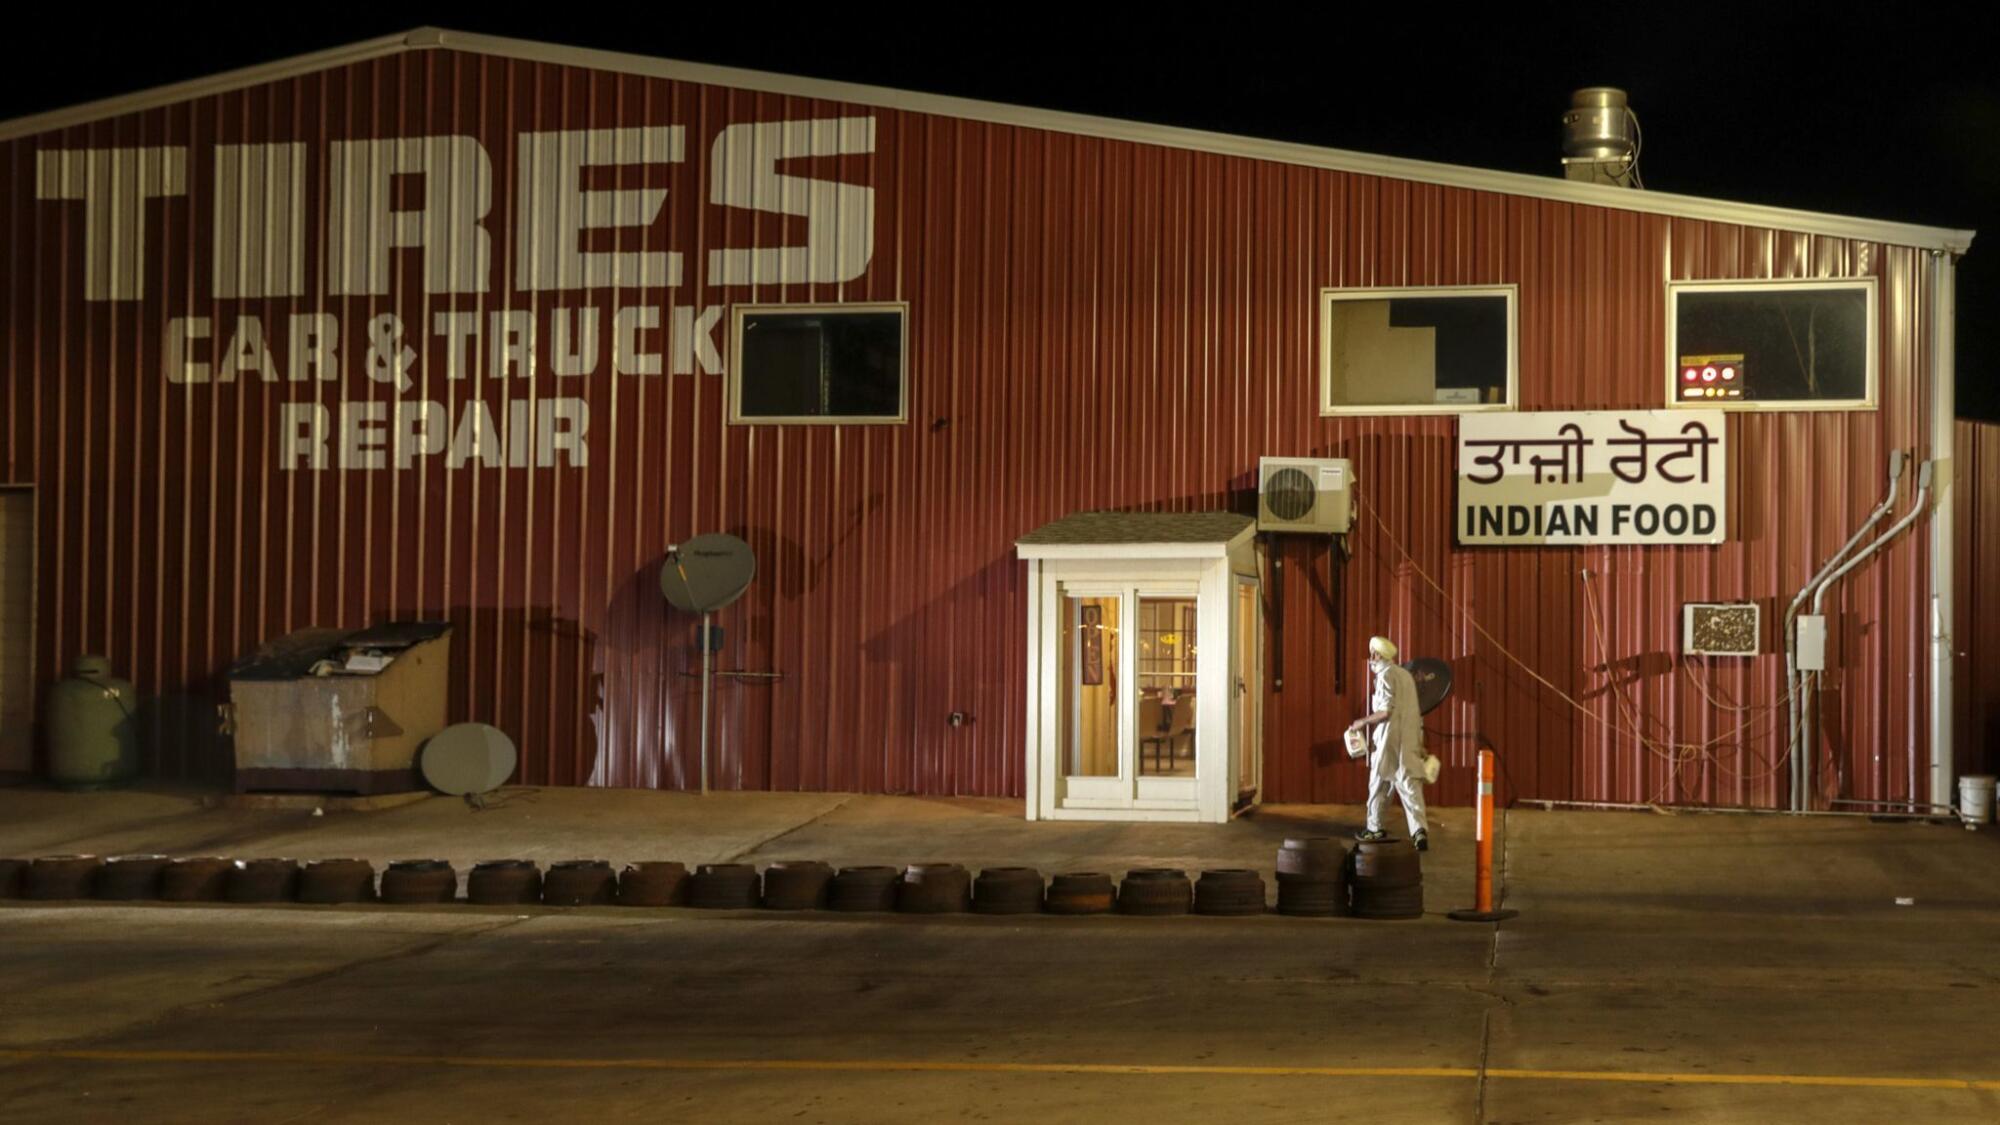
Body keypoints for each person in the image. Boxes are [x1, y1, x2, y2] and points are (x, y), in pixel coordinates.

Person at [1346, 636, 1430, 851]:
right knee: (1410, 785)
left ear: (1376, 655)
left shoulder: (1385, 676)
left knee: (1379, 783)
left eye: (1372, 654)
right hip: (1409, 738)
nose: (1370, 658)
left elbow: (1386, 711)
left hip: (1388, 740)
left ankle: (1374, 828)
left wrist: (1361, 722)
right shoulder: (1405, 675)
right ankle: (1419, 831)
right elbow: (1415, 710)